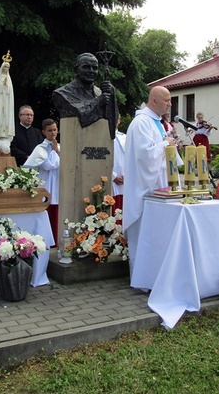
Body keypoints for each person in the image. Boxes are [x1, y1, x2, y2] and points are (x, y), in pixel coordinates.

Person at [123, 86, 176, 273]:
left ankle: (155, 275)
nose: (170, 103)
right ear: (154, 100)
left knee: (157, 234)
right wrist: (165, 144)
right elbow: (145, 156)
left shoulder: (156, 122)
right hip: (145, 190)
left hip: (159, 185)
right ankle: (142, 277)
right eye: (167, 100)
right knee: (145, 234)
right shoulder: (141, 123)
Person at [51, 52, 115, 130]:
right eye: (86, 67)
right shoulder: (62, 93)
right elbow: (81, 116)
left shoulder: (100, 93)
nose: (91, 71)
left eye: (95, 68)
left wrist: (112, 93)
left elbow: (112, 121)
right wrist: (97, 102)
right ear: (76, 69)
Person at [24, 119, 60, 244]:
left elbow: (68, 164)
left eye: (55, 130)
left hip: (58, 185)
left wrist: (57, 151)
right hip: (46, 185)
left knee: (57, 217)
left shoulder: (60, 147)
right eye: (50, 130)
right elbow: (49, 165)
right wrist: (56, 152)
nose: (53, 133)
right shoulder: (40, 149)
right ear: (44, 132)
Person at [112, 114, 127, 216]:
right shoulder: (104, 138)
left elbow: (131, 157)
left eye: (116, 118)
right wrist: (113, 176)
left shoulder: (125, 137)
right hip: (111, 179)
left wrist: (127, 175)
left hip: (125, 179)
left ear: (119, 121)